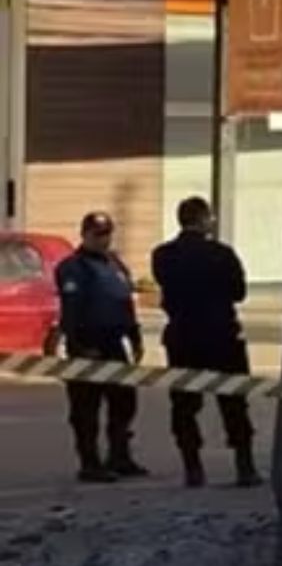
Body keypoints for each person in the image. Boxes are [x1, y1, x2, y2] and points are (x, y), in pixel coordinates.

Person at [152, 197, 261, 489]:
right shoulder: (222, 254)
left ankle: (193, 467)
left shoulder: (163, 255)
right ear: (203, 220)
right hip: (222, 336)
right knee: (234, 403)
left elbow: (165, 288)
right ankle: (244, 465)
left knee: (185, 406)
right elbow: (239, 292)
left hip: (183, 337)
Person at [54, 211, 146, 483]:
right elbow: (71, 310)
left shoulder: (115, 264)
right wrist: (80, 345)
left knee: (124, 402)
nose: (103, 240)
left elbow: (124, 303)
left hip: (114, 344)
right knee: (86, 409)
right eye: (97, 234)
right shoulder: (72, 267)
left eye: (107, 234)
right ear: (84, 235)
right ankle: (89, 463)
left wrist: (135, 336)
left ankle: (119, 456)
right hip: (86, 344)